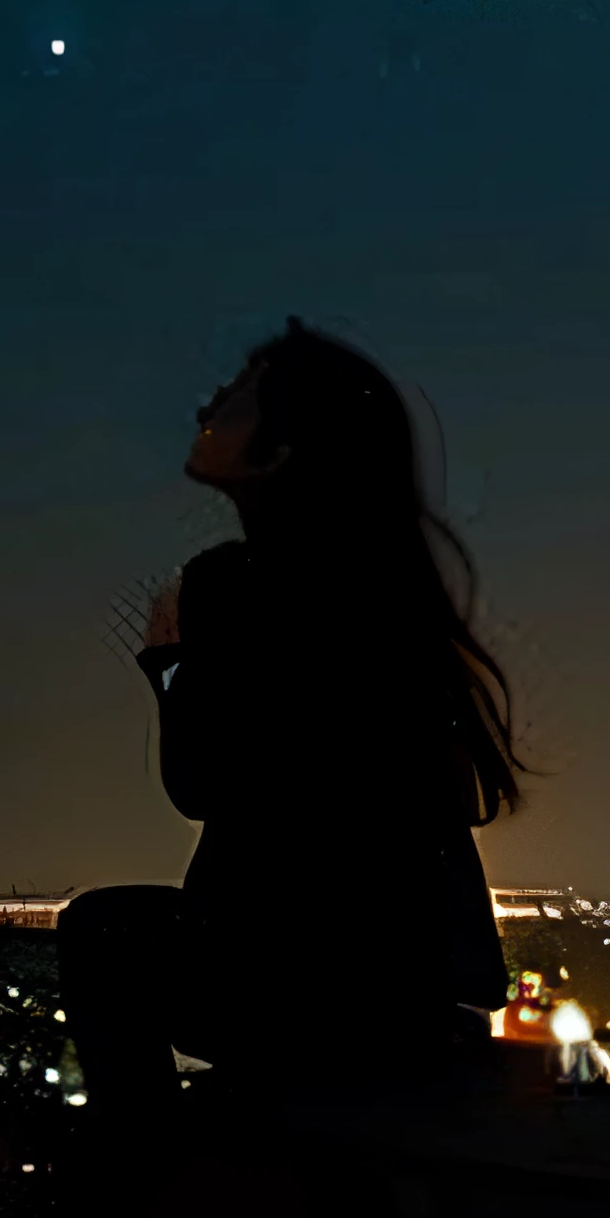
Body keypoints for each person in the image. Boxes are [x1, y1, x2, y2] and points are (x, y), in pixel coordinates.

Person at [57, 320, 524, 1120]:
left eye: (239, 393)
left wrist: (168, 661)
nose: (208, 400)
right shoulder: (387, 594)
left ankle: (145, 1178)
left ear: (278, 453)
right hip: (411, 987)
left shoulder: (233, 585)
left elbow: (201, 781)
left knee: (101, 933)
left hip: (292, 985)